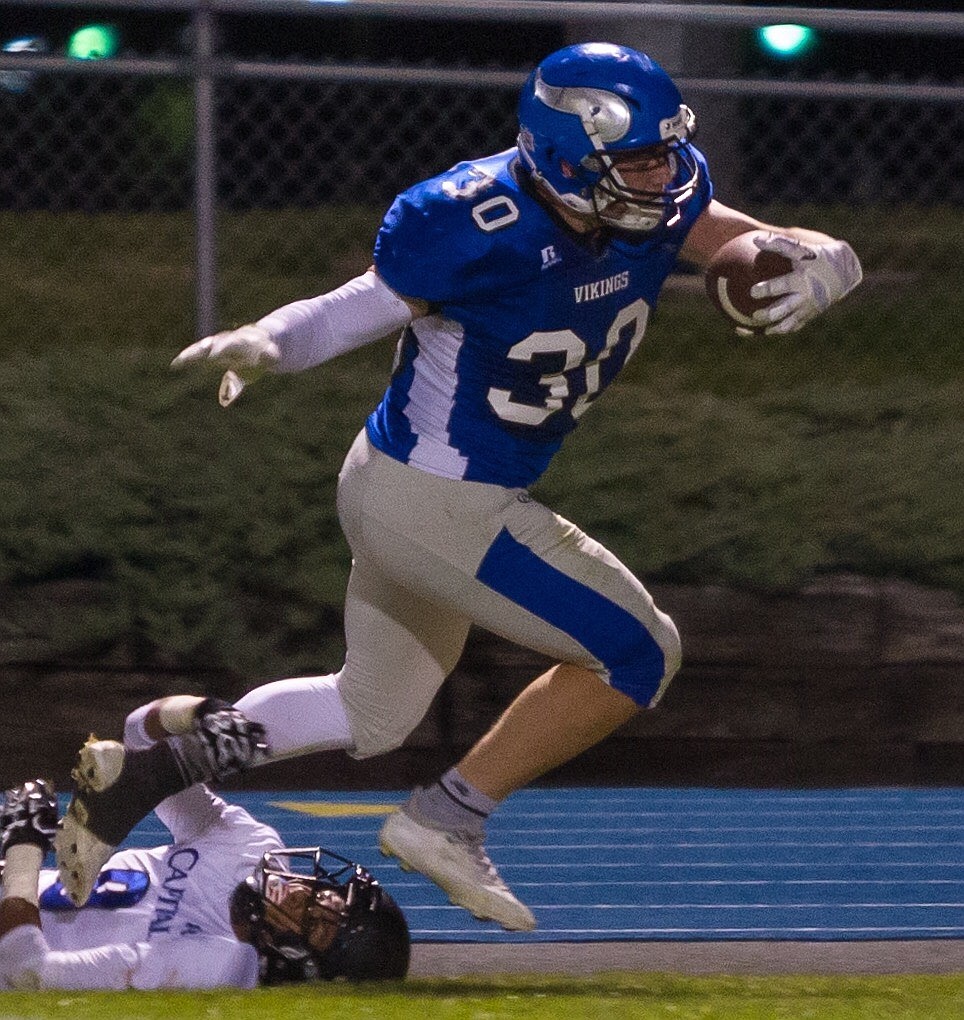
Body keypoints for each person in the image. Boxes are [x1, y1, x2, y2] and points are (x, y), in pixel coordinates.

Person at [56, 43, 862, 933]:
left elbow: (743, 239)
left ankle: (147, 768)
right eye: (637, 160)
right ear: (567, 157)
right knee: (639, 652)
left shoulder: (646, 196)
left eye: (667, 152)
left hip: (409, 487)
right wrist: (270, 340)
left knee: (372, 709)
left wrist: (832, 262)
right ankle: (447, 817)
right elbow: (352, 308)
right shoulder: (472, 218)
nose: (663, 176)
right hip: (438, 500)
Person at [0, 698, 409, 990]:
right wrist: (200, 714)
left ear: (305, 968)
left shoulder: (222, 963)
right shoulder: (250, 846)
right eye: (322, 891)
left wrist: (22, 850)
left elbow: (29, 973)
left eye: (317, 923)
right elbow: (138, 734)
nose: (303, 892)